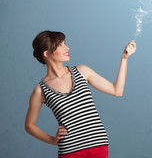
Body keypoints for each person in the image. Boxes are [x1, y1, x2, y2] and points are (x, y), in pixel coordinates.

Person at [25, 30, 136, 158]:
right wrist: (52, 140)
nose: (67, 48)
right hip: (70, 152)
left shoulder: (82, 71)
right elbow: (29, 126)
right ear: (47, 53)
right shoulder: (40, 90)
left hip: (98, 146)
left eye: (65, 43)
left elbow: (117, 90)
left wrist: (124, 58)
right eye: (60, 45)